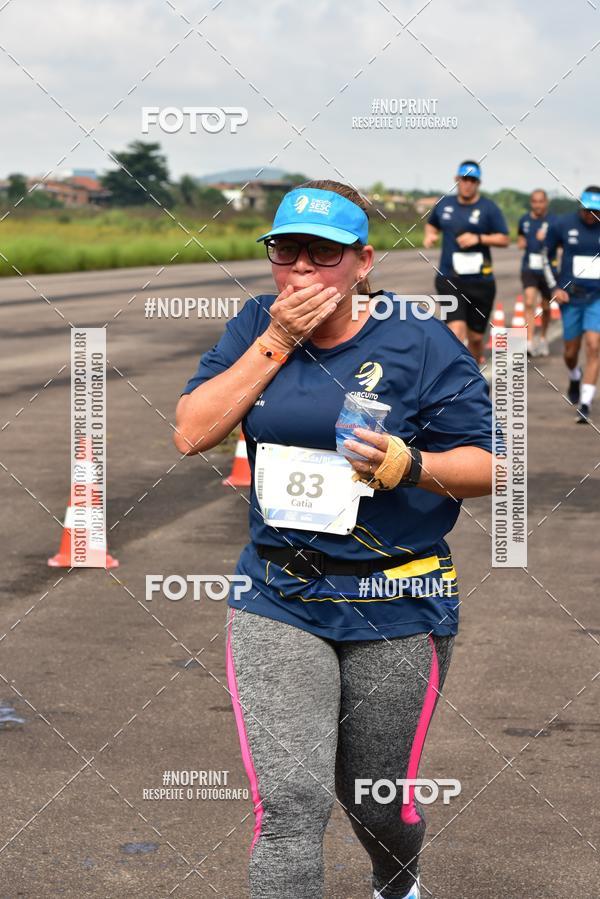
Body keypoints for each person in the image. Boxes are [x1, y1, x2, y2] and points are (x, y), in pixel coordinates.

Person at [175, 180, 494, 899]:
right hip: (279, 593)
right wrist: (277, 340)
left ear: (363, 261)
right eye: (286, 250)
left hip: (397, 598)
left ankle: (397, 880)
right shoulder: (257, 323)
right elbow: (193, 430)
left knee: (377, 799)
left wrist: (410, 464)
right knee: (290, 804)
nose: (302, 269)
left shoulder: (418, 340)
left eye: (323, 253)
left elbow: (491, 465)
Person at [423, 160, 509, 363]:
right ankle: (455, 381)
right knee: (456, 330)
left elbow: (504, 238)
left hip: (481, 282)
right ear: (456, 180)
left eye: (472, 180)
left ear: (478, 183)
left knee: (476, 338)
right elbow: (431, 225)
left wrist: (479, 238)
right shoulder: (444, 204)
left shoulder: (489, 208)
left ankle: (474, 368)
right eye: (464, 179)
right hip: (449, 278)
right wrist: (430, 235)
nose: (467, 184)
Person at [543, 186, 600, 423]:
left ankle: (585, 403)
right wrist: (554, 287)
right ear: (580, 207)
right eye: (588, 210)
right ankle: (574, 375)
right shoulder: (562, 225)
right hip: (571, 297)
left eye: (596, 211)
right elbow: (545, 256)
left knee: (594, 345)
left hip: (596, 297)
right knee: (571, 351)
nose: (592, 215)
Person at [516, 189, 558, 357]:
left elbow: (561, 245)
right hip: (529, 267)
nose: (538, 205)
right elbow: (520, 238)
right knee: (528, 301)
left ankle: (543, 338)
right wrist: (521, 243)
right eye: (535, 201)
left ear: (546, 202)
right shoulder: (524, 220)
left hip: (549, 269)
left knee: (546, 307)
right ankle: (529, 341)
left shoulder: (554, 221)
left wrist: (547, 239)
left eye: (541, 201)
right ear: (531, 203)